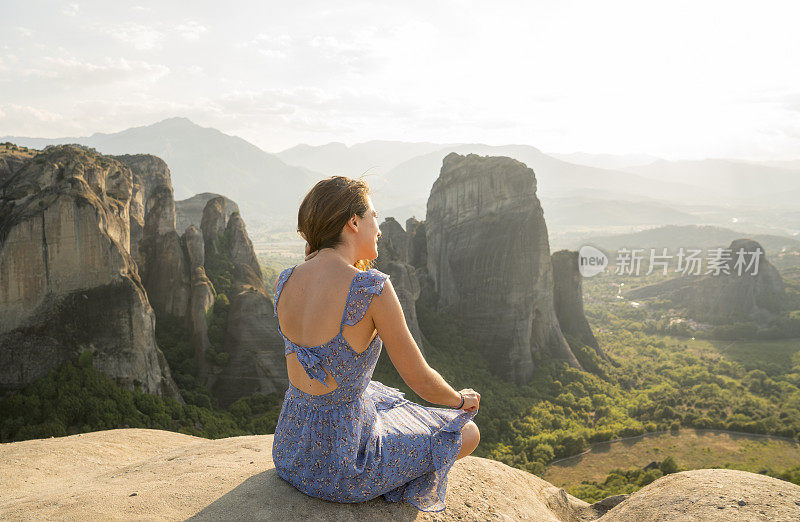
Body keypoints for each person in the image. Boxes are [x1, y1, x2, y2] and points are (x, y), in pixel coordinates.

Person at [271, 175, 480, 512]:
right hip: (343, 468)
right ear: (353, 222)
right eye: (374, 217)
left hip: (290, 452)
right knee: (467, 433)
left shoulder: (285, 280)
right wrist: (460, 400)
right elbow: (422, 381)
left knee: (378, 396)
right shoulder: (370, 288)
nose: (378, 228)